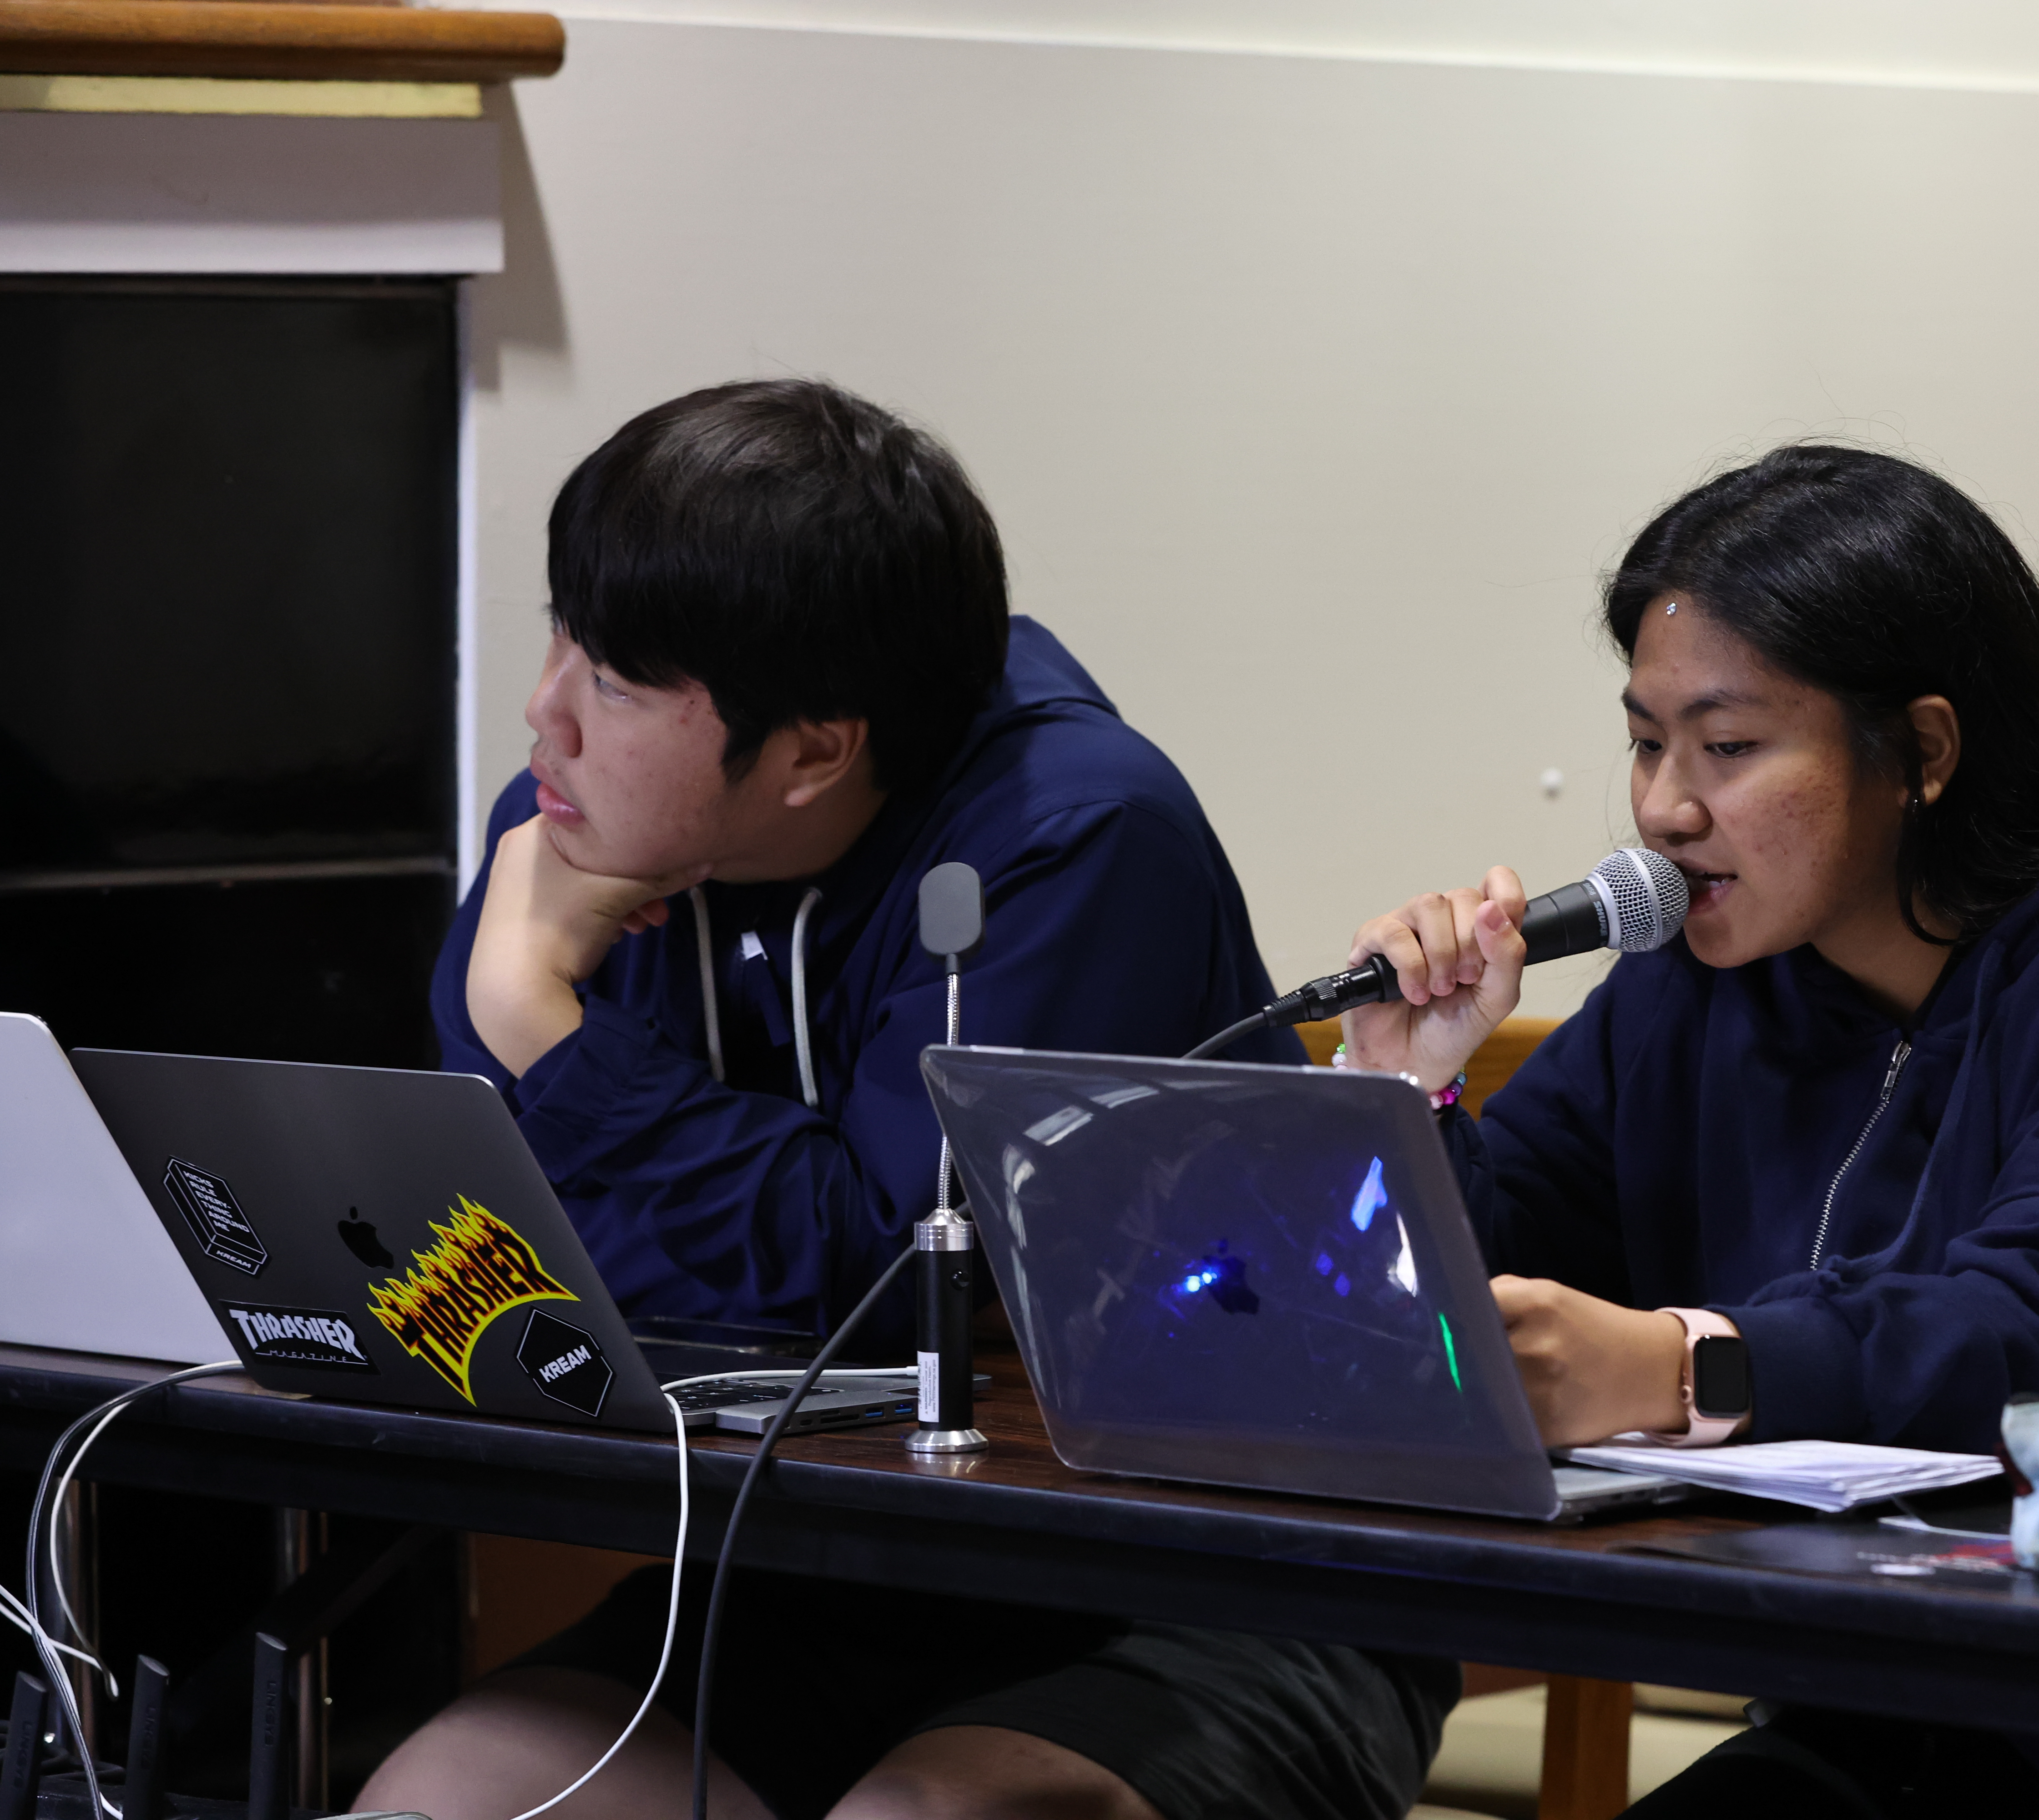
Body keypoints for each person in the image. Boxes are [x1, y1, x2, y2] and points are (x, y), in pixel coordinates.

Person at [1340, 446, 2039, 1819]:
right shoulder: (1700, 990)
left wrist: (1680, 1366)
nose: (1661, 810)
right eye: (1648, 741)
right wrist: (1406, 1093)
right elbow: (1483, 1303)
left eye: (1730, 746)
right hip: (1916, 1718)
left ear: (1924, 752)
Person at [361, 380, 1452, 1820]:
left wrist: (544, 1033)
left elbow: (893, 1286)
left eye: (617, 681)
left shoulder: (1075, 838)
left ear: (817, 748)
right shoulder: (570, 834)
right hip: (828, 1568)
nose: (543, 712)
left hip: (1208, 1577)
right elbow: (495, 1246)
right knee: (448, 1799)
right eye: (565, 631)